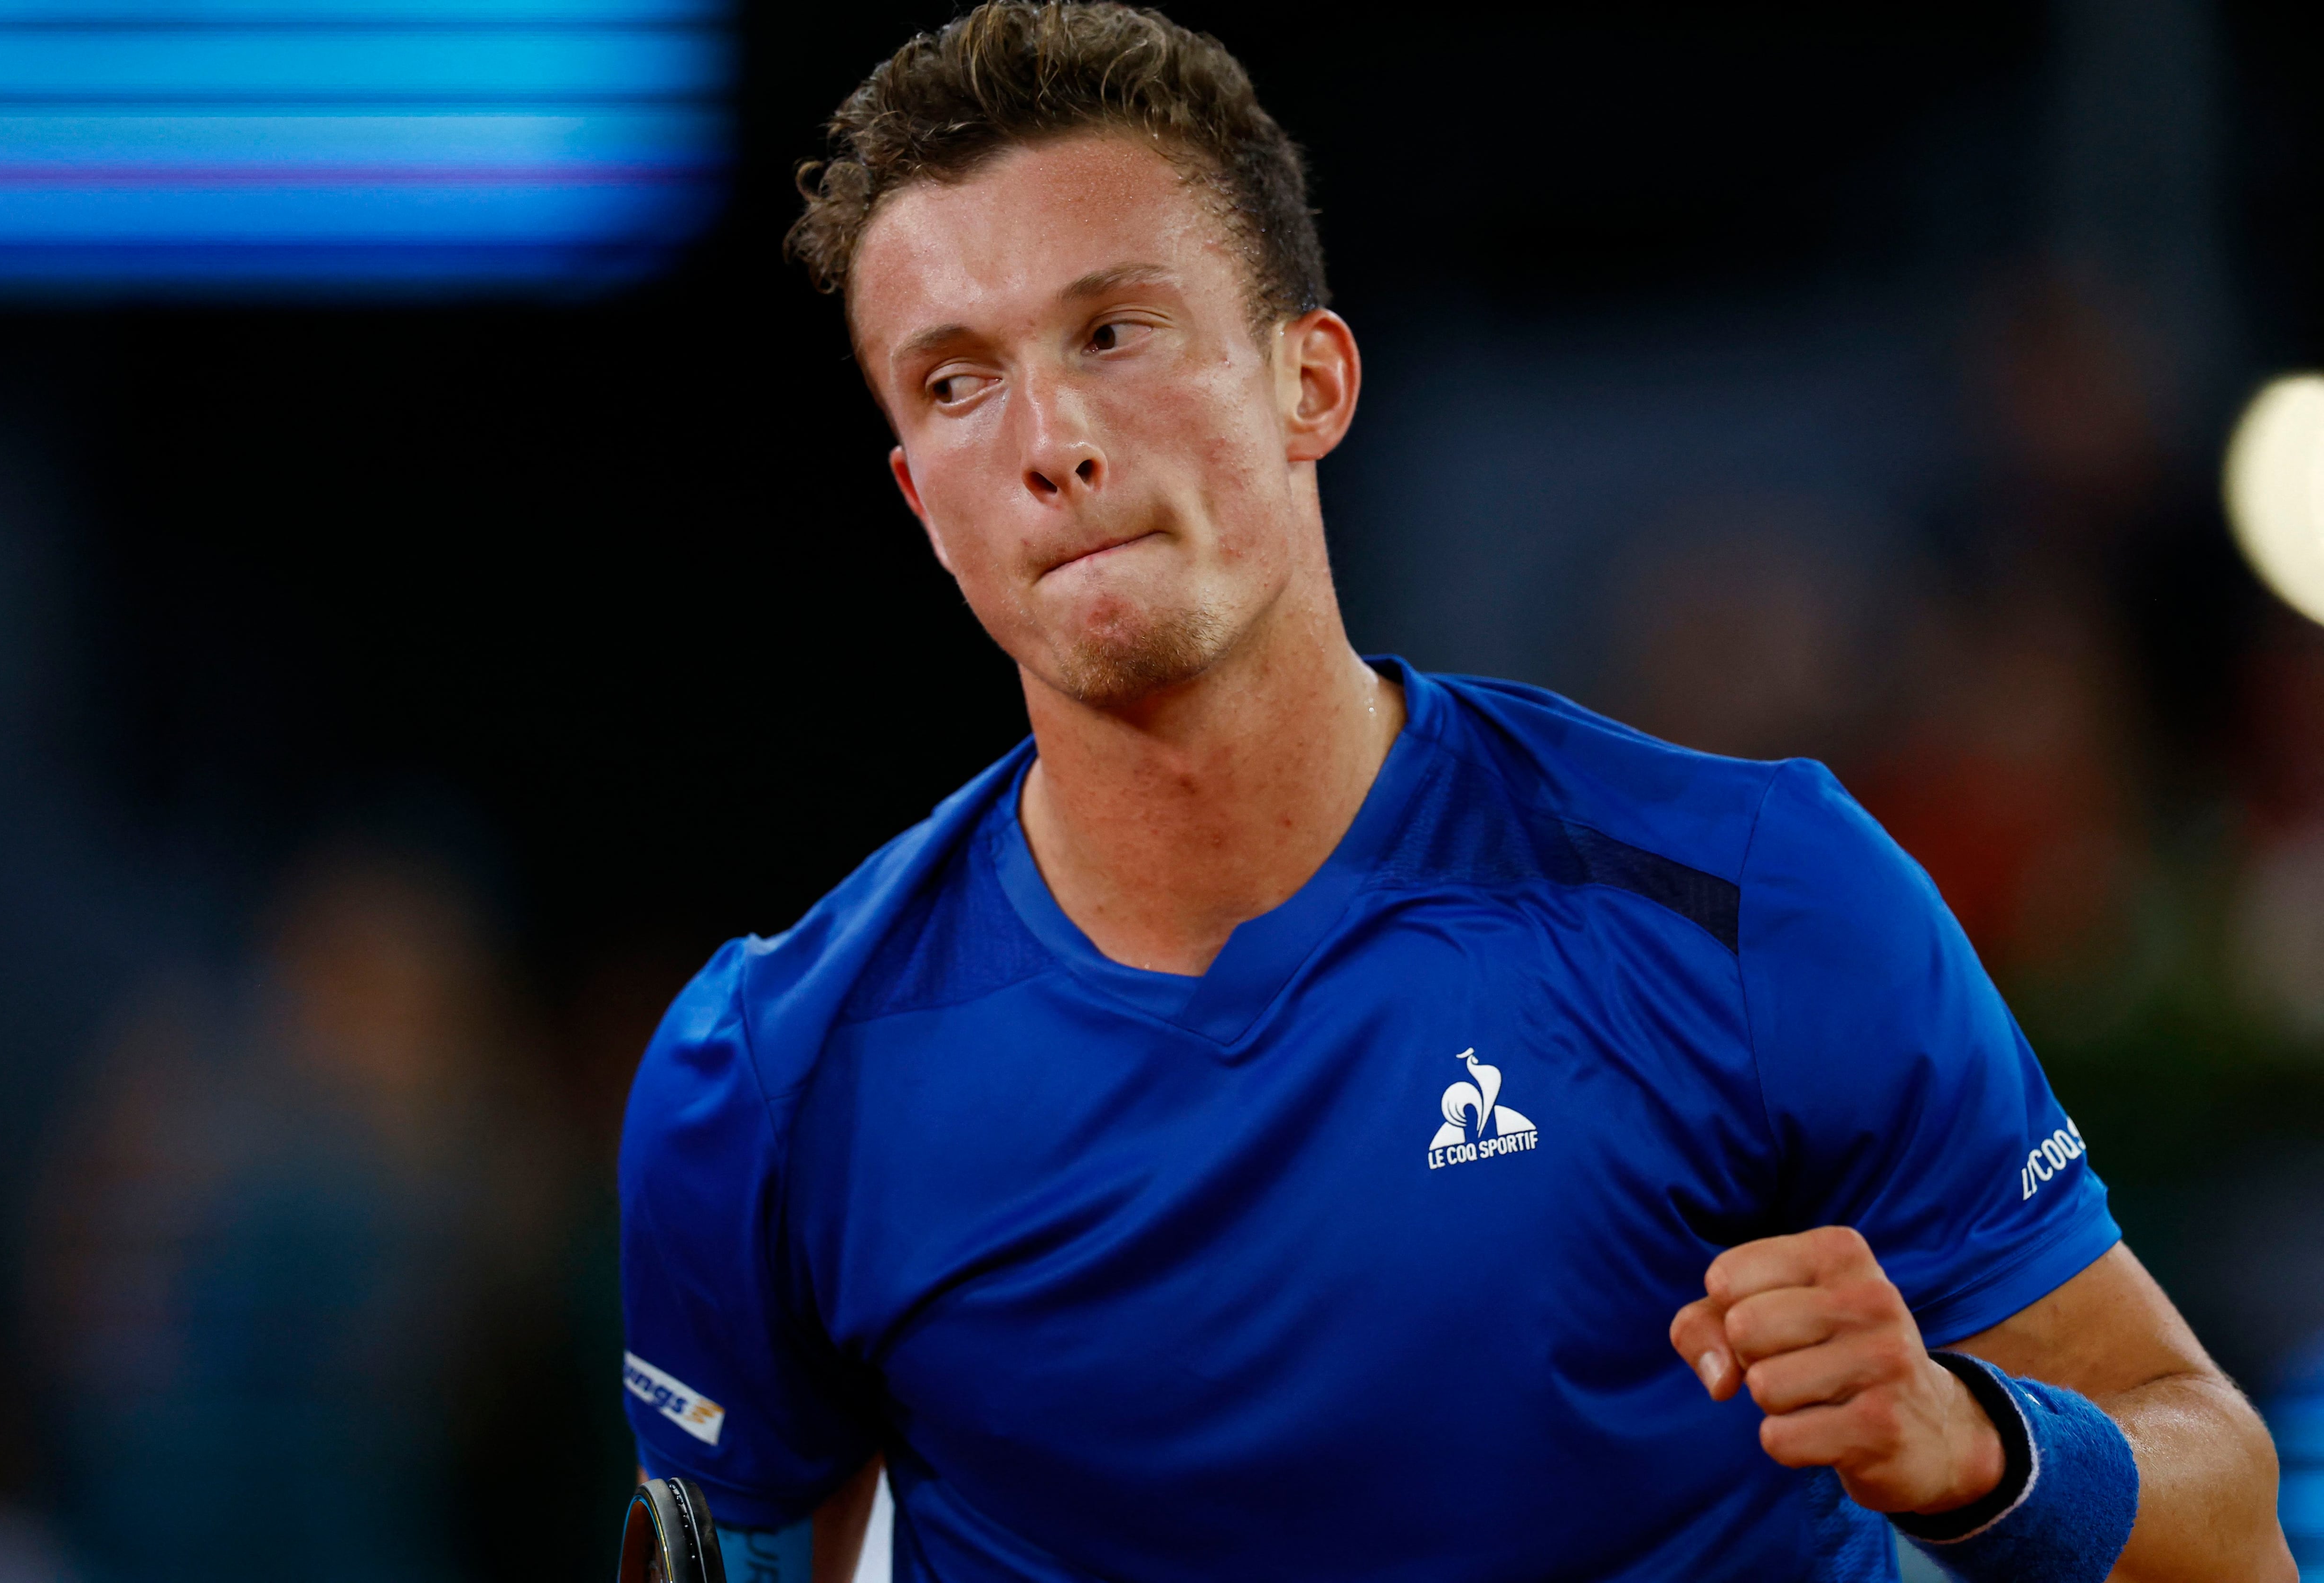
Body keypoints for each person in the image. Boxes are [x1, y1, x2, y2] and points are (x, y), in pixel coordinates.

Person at [617, 5, 2291, 1580]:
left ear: (1311, 382)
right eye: (957, 381)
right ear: (920, 494)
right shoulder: (770, 1078)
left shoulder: (1754, 895)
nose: (1049, 439)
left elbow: (2228, 1522)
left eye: (1115, 331)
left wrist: (1989, 1445)